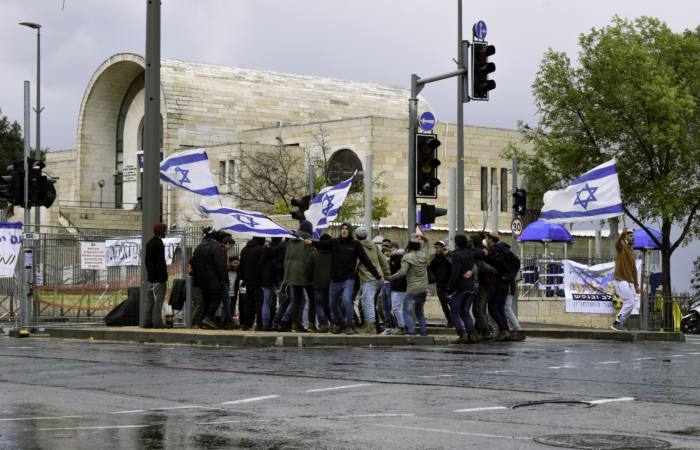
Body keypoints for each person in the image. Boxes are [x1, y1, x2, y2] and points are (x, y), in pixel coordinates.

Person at [304, 222, 383, 335]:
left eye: (346, 229)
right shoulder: (335, 242)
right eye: (342, 228)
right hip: (335, 280)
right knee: (332, 304)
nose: (343, 230)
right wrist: (311, 242)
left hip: (348, 279)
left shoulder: (356, 244)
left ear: (350, 231)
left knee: (347, 300)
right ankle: (342, 323)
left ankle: (350, 325)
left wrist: (378, 276)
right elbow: (322, 244)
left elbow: (366, 261)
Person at [389, 233, 430, 336]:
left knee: (406, 312)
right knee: (419, 312)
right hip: (423, 290)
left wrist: (390, 277)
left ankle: (412, 332)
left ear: (409, 246)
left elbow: (402, 272)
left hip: (412, 290)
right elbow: (427, 242)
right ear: (419, 246)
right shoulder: (424, 254)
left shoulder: (407, 257)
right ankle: (424, 333)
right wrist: (421, 235)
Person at [448, 235, 487, 343]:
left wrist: (449, 286)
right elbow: (478, 253)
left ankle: (461, 334)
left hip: (460, 286)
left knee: (454, 311)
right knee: (465, 310)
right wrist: (484, 251)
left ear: (456, 243)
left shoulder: (456, 255)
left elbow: (455, 273)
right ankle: (472, 334)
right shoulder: (470, 253)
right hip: (470, 286)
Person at [354, 226, 390, 334]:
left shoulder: (358, 247)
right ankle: (368, 325)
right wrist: (386, 272)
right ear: (366, 236)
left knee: (367, 303)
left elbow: (356, 262)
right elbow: (382, 259)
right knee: (366, 303)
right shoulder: (374, 246)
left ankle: (371, 327)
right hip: (378, 277)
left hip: (369, 278)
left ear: (356, 236)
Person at [190, 229, 228, 330]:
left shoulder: (199, 247)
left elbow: (192, 262)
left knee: (207, 301)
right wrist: (224, 279)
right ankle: (208, 318)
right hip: (214, 278)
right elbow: (219, 264)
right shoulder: (216, 247)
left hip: (202, 279)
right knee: (216, 297)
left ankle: (203, 321)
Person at [284, 220, 315, 333]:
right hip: (305, 274)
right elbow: (310, 260)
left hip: (292, 274)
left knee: (296, 300)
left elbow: (286, 258)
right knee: (313, 298)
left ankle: (294, 325)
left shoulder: (291, 241)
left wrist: (288, 274)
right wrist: (311, 277)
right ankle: (311, 324)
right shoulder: (308, 241)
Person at [485, 231, 516, 342]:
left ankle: (504, 330)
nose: (486, 241)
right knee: (500, 309)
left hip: (498, 283)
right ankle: (506, 331)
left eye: (487, 238)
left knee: (493, 309)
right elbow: (516, 262)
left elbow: (498, 263)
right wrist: (509, 275)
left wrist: (488, 255)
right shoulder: (506, 251)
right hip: (506, 284)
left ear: (491, 239)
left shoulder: (494, 251)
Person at [611, 227, 639, 331]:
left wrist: (636, 285)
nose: (633, 238)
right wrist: (621, 235)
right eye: (630, 236)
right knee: (629, 302)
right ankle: (617, 323)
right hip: (621, 279)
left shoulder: (632, 252)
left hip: (630, 281)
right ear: (626, 238)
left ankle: (620, 322)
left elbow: (634, 270)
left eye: (633, 236)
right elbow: (616, 244)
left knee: (631, 304)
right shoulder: (621, 247)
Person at [470, 233, 495, 341]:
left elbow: (481, 265)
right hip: (493, 283)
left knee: (477, 310)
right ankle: (481, 329)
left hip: (483, 283)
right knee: (482, 308)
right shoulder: (487, 250)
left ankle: (486, 332)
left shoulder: (476, 253)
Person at [307, 233, 333, 333]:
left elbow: (308, 268)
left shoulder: (314, 253)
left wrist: (310, 280)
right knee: (330, 304)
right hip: (331, 282)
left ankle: (322, 325)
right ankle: (333, 324)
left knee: (319, 304)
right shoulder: (333, 254)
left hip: (317, 282)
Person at [144, 222, 168, 329]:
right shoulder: (158, 244)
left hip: (152, 278)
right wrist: (162, 277)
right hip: (159, 279)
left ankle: (147, 321)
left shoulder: (149, 243)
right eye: (165, 231)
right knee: (158, 300)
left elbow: (147, 261)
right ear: (161, 232)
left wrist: (150, 275)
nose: (166, 232)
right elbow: (160, 262)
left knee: (150, 300)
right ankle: (157, 322)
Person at [238, 236, 265, 331]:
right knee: (259, 303)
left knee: (248, 302)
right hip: (258, 281)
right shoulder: (260, 249)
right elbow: (263, 266)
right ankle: (260, 324)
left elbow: (241, 266)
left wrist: (244, 279)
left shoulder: (244, 249)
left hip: (248, 281)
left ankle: (246, 323)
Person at [428, 240, 454, 328]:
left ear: (443, 248)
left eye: (437, 248)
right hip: (439, 283)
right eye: (435, 248)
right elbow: (431, 269)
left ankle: (455, 320)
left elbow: (455, 258)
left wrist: (449, 252)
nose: (436, 249)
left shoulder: (448, 256)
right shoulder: (433, 258)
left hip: (449, 283)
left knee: (452, 303)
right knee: (443, 303)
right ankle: (450, 320)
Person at [260, 237, 283, 331]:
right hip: (276, 281)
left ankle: (265, 324)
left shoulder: (265, 252)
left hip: (266, 281)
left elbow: (260, 266)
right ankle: (275, 322)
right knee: (282, 302)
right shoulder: (279, 251)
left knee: (266, 302)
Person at [502, 248, 525, 341]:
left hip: (509, 288)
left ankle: (517, 330)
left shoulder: (509, 268)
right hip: (510, 288)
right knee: (505, 309)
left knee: (506, 308)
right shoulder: (513, 268)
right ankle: (514, 330)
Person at [386, 241, 407, 335]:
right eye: (388, 248)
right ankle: (402, 326)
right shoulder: (392, 258)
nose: (389, 250)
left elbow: (402, 272)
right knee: (396, 306)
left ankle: (401, 327)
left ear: (396, 249)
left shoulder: (400, 258)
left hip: (400, 285)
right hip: (394, 285)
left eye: (391, 248)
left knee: (395, 306)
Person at [219, 235, 235, 329]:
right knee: (227, 300)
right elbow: (223, 265)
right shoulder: (223, 250)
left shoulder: (218, 248)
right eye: (231, 246)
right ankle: (229, 320)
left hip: (217, 279)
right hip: (222, 279)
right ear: (227, 243)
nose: (230, 248)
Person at [227, 256, 240, 328]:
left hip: (233, 294)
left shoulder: (237, 272)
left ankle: (230, 323)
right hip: (227, 294)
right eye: (234, 263)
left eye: (237, 263)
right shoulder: (226, 272)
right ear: (230, 263)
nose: (236, 265)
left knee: (232, 309)